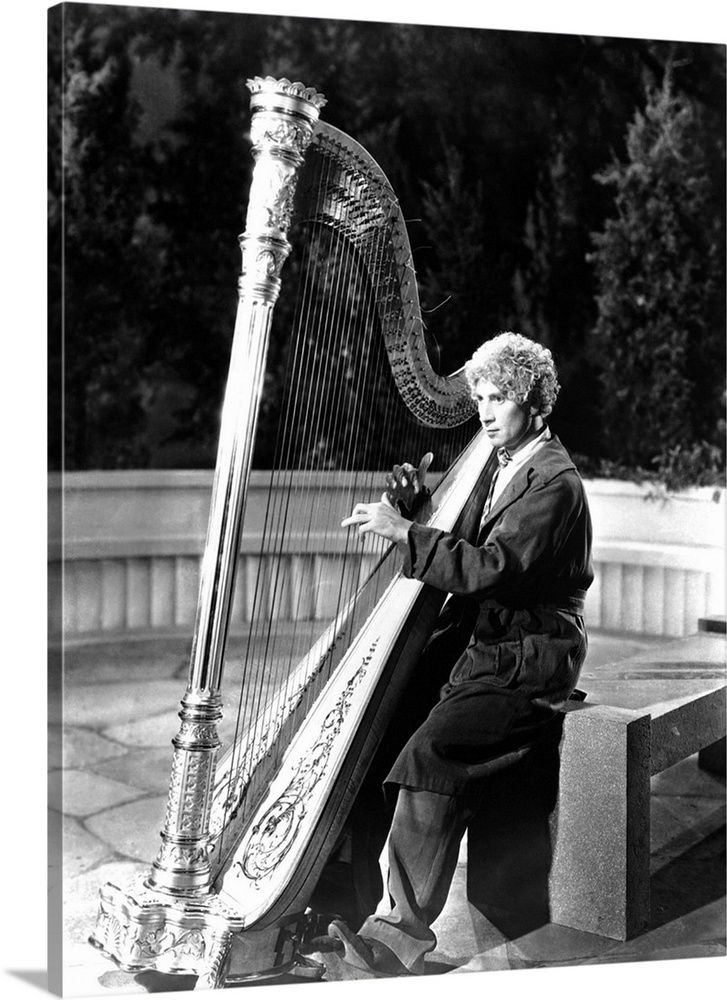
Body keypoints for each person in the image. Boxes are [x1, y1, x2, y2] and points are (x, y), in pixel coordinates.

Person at [328, 331, 594, 978]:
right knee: (372, 722)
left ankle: (395, 936)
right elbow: (466, 531)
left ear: (533, 401)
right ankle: (342, 897)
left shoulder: (553, 482)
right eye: (477, 396)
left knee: (430, 751)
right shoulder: (503, 461)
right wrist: (417, 504)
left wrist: (407, 534)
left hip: (528, 654)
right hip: (487, 642)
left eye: (497, 396)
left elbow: (495, 567)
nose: (483, 409)